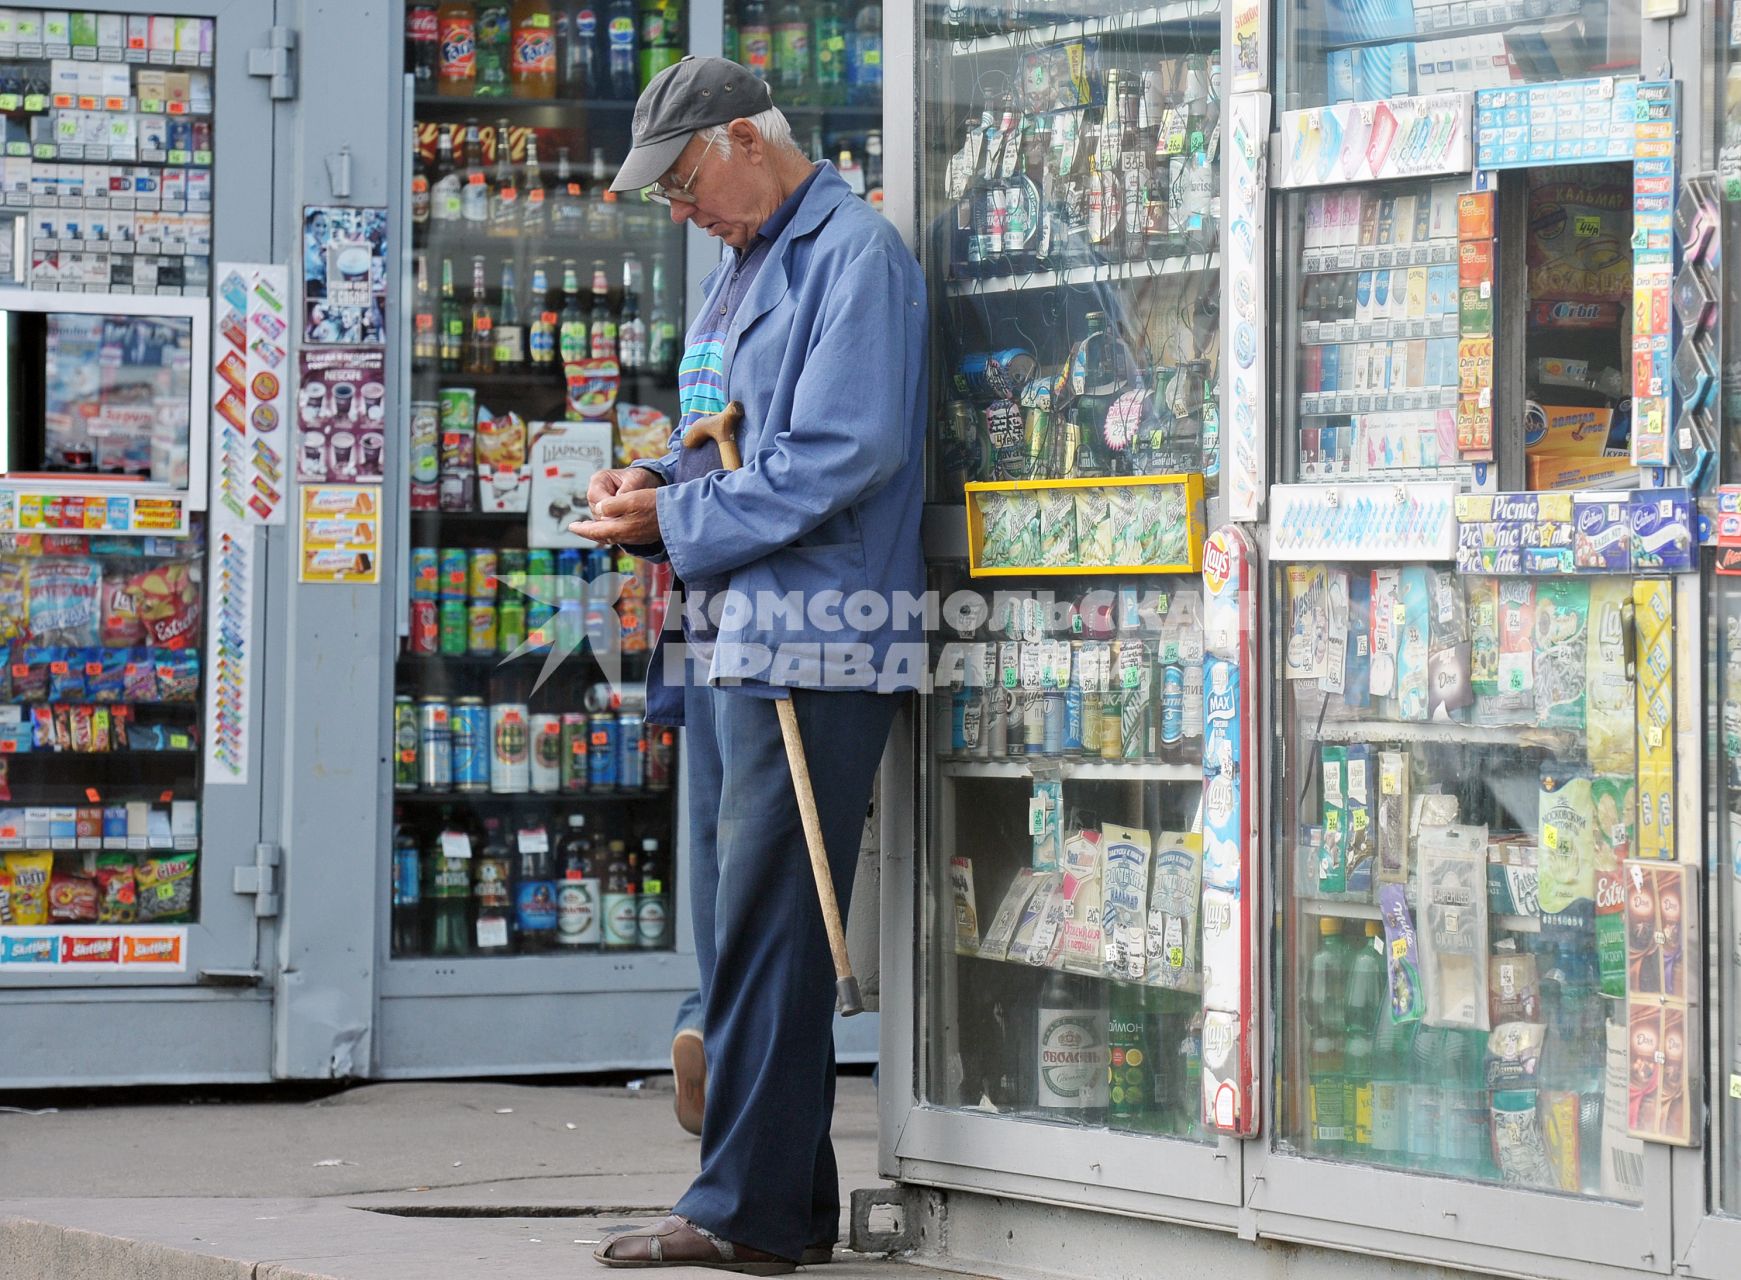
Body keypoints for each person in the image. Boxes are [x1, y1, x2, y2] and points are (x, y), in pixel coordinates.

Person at [571, 55, 925, 1274]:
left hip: (815, 627)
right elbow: (726, 438)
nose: (679, 208)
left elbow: (843, 449)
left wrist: (677, 519)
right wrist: (655, 484)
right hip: (741, 620)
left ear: (740, 138)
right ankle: (778, 1199)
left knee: (774, 922)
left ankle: (742, 1207)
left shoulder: (853, 255)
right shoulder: (741, 265)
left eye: (681, 181)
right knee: (743, 920)